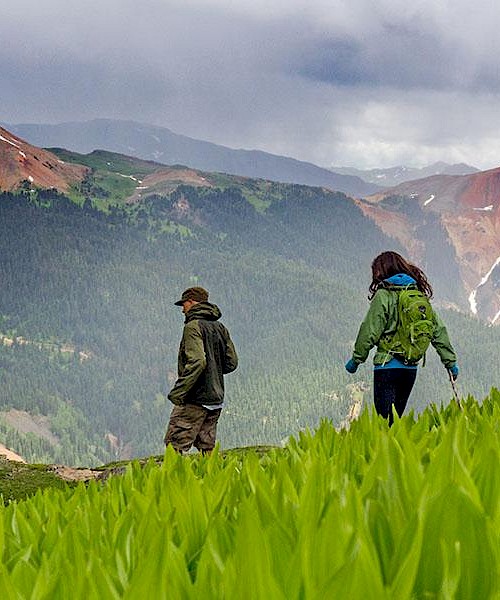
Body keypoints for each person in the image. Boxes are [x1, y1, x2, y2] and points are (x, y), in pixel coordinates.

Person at [345, 251, 458, 424]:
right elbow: (438, 330)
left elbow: (369, 330)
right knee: (395, 421)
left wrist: (356, 359)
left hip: (387, 367)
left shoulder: (384, 295)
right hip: (410, 370)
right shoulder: (418, 295)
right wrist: (450, 363)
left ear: (380, 271)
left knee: (384, 423)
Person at [164, 286, 238, 453]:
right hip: (215, 398)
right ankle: (210, 477)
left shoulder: (192, 327)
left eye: (183, 305)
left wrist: (179, 391)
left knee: (174, 445)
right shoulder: (220, 327)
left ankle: (176, 479)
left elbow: (197, 361)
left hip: (195, 399)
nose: (182, 310)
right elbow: (232, 362)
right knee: (207, 448)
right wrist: (214, 372)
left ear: (191, 302)